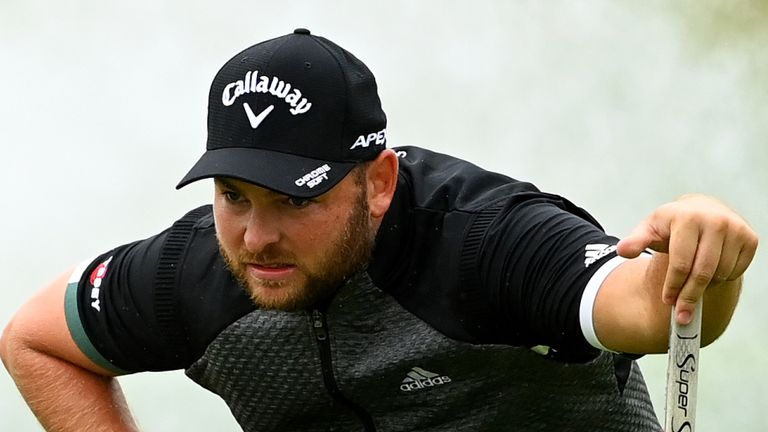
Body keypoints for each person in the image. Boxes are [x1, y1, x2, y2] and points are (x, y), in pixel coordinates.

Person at [0, 28, 758, 432]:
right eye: (233, 196)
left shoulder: (483, 240)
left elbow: (657, 312)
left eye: (294, 200)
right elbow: (34, 341)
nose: (256, 237)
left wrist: (709, 257)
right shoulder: (195, 272)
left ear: (380, 183)